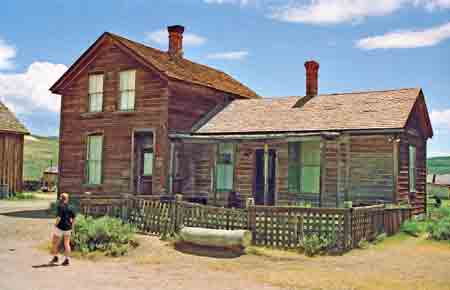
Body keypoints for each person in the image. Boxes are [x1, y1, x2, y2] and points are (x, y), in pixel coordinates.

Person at [49, 193, 75, 266]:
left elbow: (59, 218)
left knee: (54, 242)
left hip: (60, 227)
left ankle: (56, 257)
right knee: (66, 243)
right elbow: (74, 218)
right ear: (67, 199)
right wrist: (72, 227)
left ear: (61, 198)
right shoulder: (71, 207)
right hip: (68, 228)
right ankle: (67, 260)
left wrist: (55, 224)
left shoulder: (60, 206)